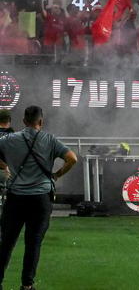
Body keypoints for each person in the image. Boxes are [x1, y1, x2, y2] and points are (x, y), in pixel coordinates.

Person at [0, 105, 77, 290]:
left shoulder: (10, 139)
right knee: (33, 243)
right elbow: (72, 158)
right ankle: (27, 286)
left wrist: (5, 166)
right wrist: (56, 175)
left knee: (6, 242)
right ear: (40, 121)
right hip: (40, 199)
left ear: (24, 121)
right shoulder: (49, 139)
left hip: (15, 198)